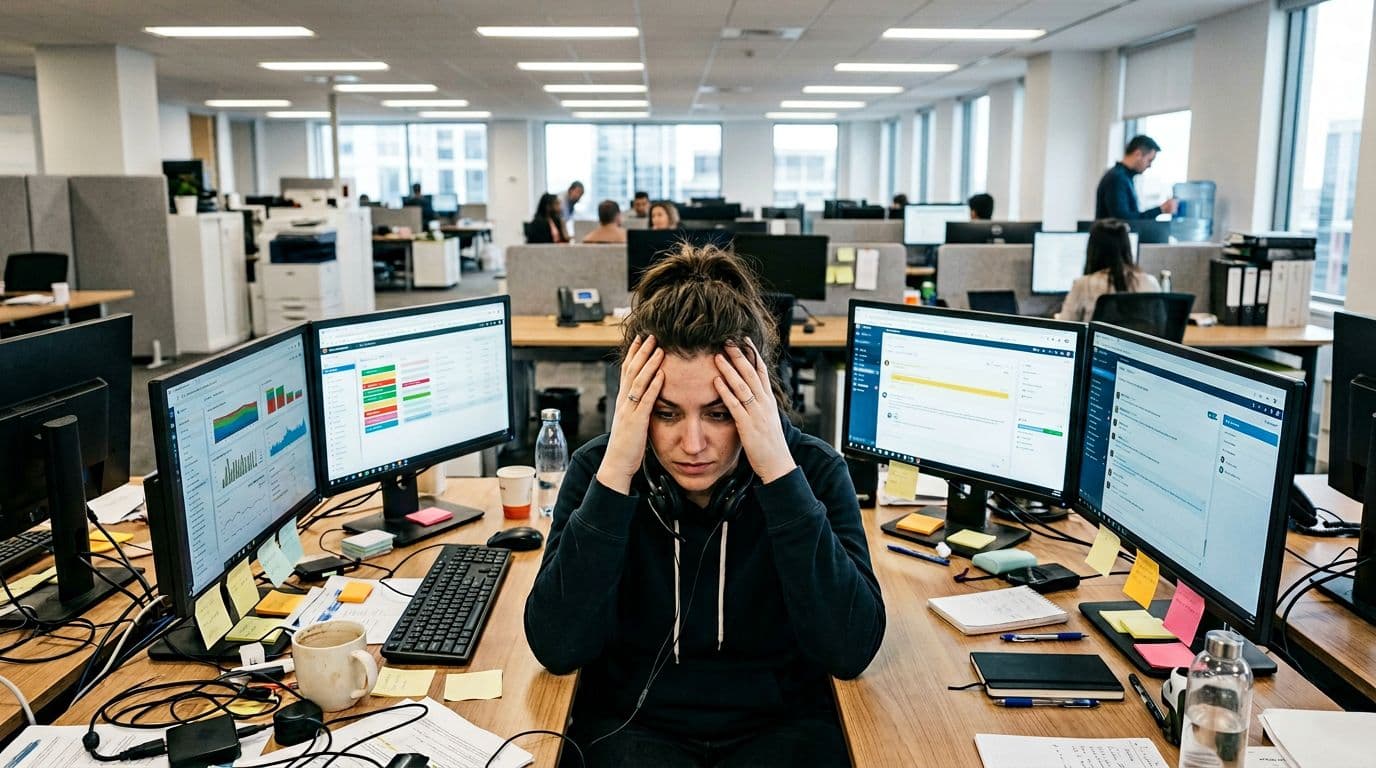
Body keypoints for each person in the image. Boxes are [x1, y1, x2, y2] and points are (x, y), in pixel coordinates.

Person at [525, 247, 885, 768]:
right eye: (666, 413)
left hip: (782, 734)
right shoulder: (599, 471)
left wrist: (780, 479)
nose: (692, 444)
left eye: (718, 414)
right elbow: (556, 646)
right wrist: (617, 471)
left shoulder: (814, 472)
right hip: (632, 731)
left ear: (756, 398)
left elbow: (850, 650)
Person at [1056, 219, 1161, 321]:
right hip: (1136, 340)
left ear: (1093, 250)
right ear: (1127, 248)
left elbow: (1066, 326)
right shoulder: (1151, 283)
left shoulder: (1083, 284)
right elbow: (1162, 325)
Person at [1095, 135, 1179, 221]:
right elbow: (1123, 220)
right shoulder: (1117, 178)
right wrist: (1161, 209)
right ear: (1138, 154)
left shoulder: (1123, 177)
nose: (1150, 166)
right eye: (1149, 160)